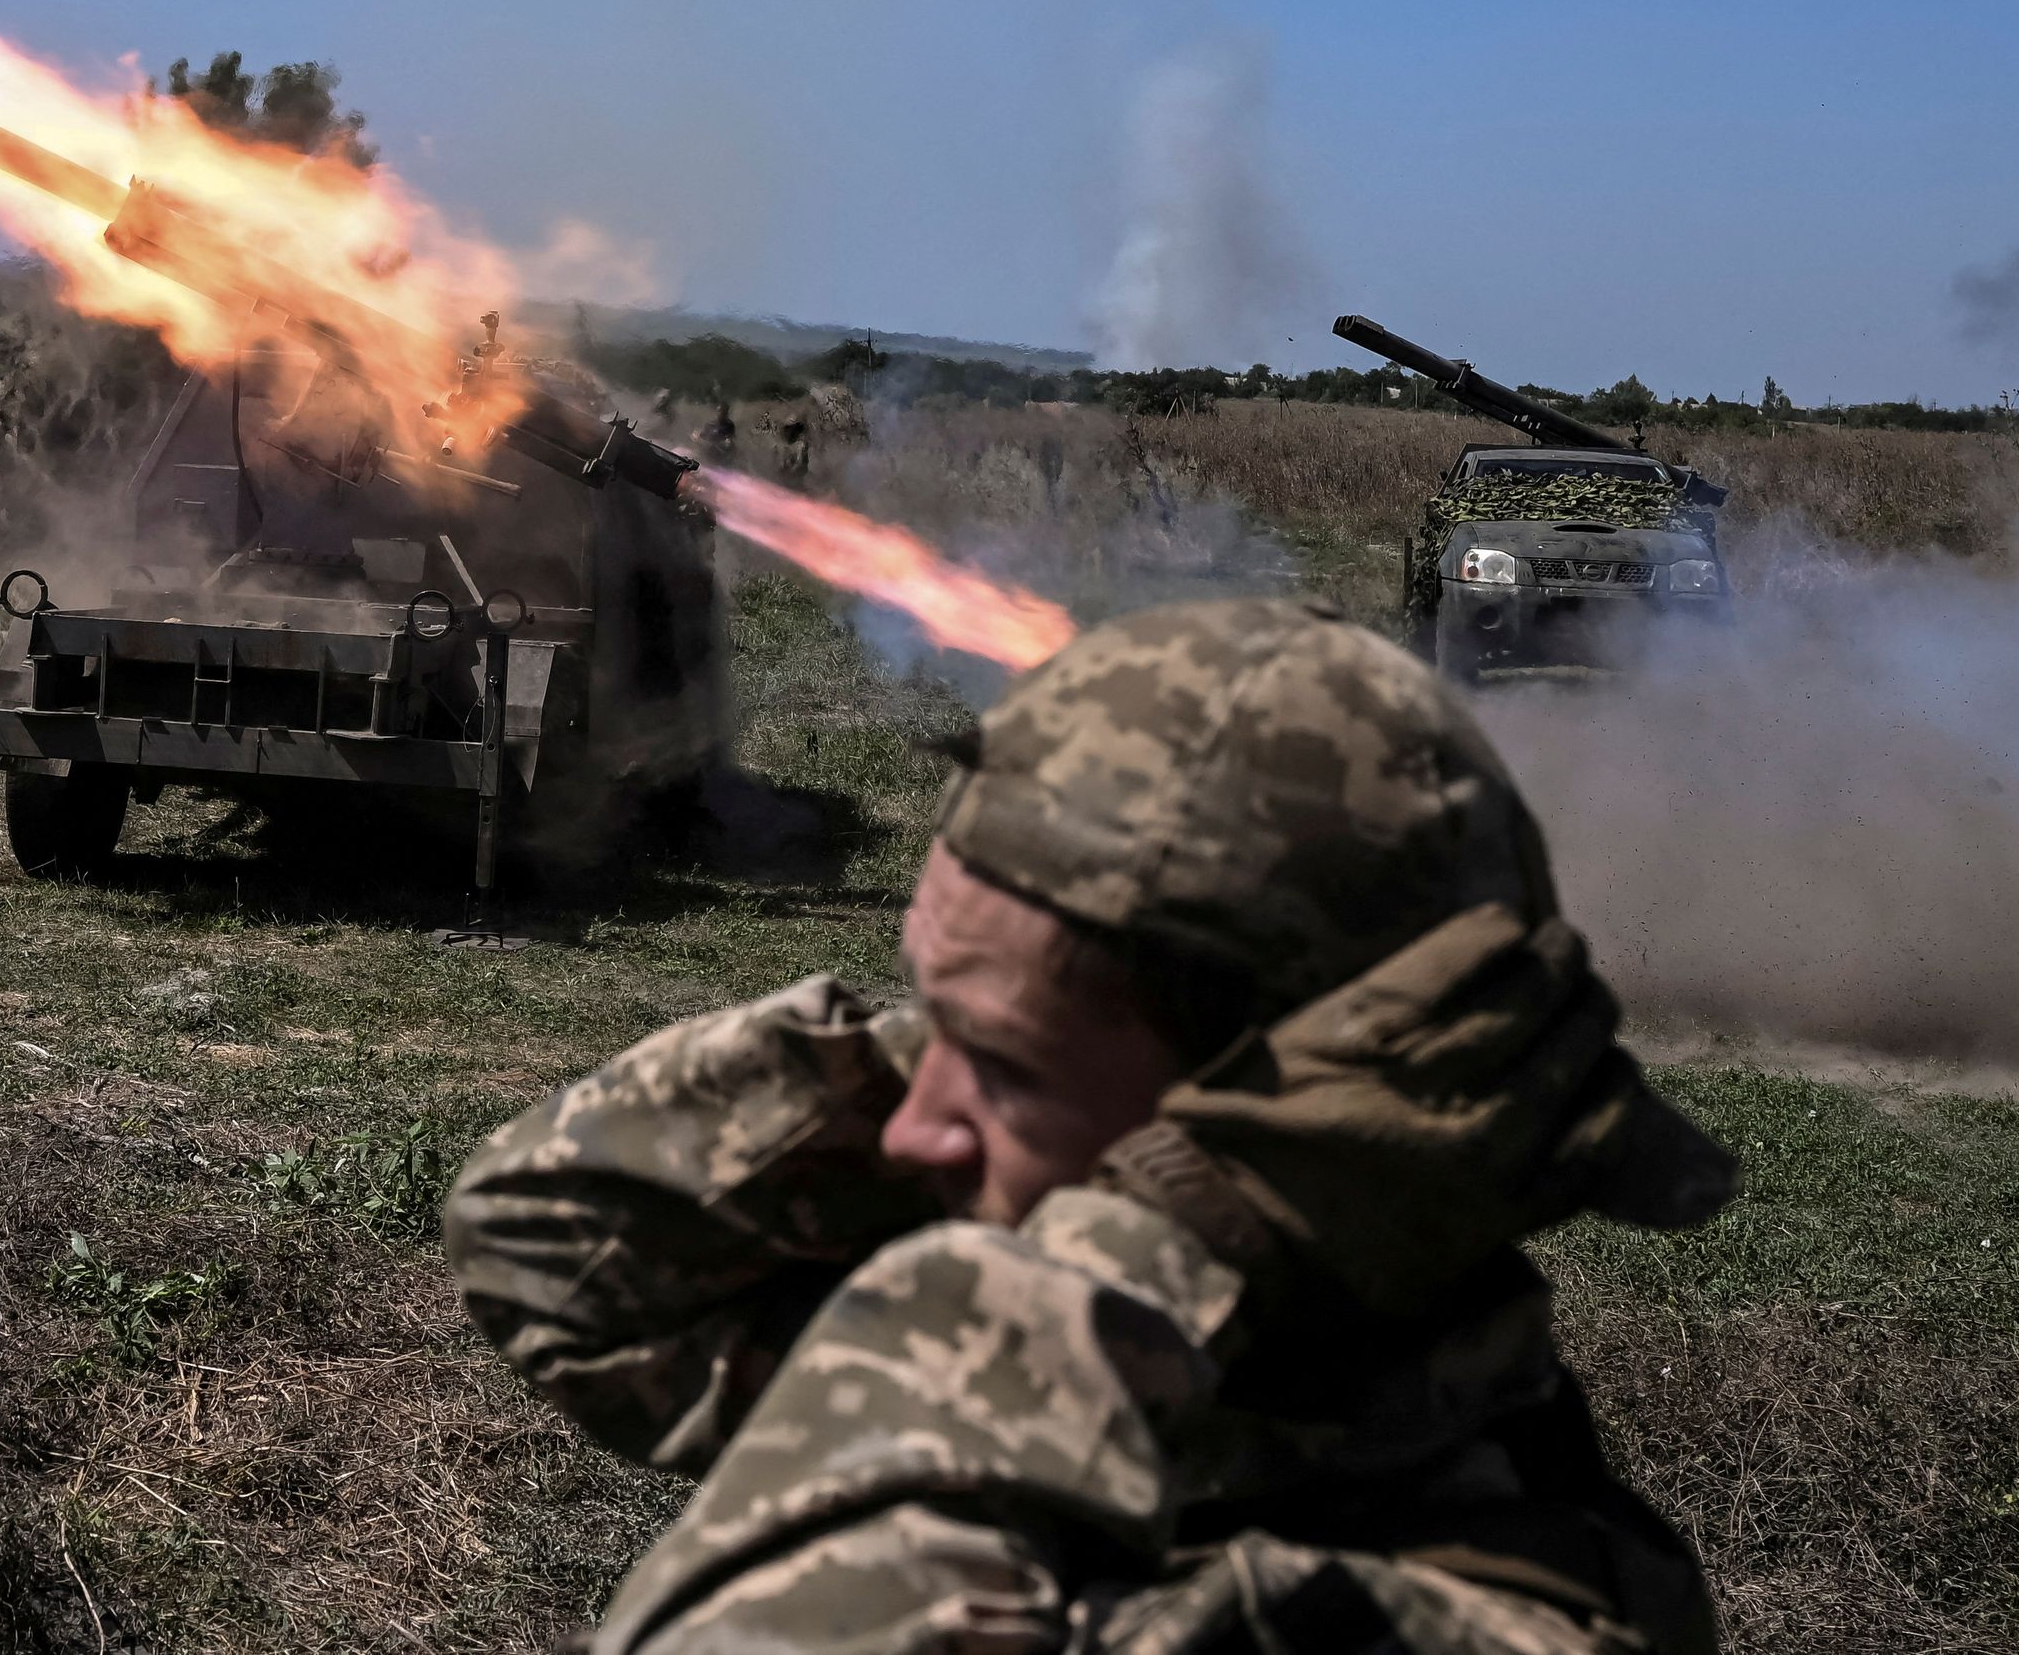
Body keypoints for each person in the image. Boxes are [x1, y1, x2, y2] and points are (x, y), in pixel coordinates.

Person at [444, 598, 1734, 1655]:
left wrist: (1149, 1241)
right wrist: (976, 1027)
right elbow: (545, 1239)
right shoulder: (1201, 1413)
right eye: (919, 1025)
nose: (909, 1130)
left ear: (1285, 1122)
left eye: (999, 1071)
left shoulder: (1450, 1613)